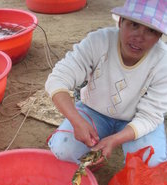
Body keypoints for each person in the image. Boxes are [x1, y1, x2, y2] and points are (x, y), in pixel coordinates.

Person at [45, 0, 167, 167]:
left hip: (135, 118)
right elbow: (58, 78)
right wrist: (76, 120)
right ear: (121, 21)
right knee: (63, 150)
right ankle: (91, 158)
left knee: (151, 162)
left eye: (151, 30)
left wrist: (115, 139)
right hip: (94, 110)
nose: (139, 37)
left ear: (159, 36)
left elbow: (150, 116)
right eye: (134, 25)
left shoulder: (163, 61)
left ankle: (114, 142)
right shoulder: (99, 41)